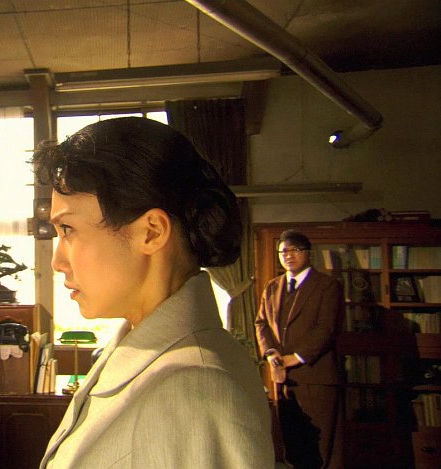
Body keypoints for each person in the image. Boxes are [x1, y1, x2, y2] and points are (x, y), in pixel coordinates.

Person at [34, 117, 274, 468]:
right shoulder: (150, 355)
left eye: (68, 229)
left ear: (152, 232)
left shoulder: (196, 389)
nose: (57, 262)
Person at [255, 229, 343, 469]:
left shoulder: (327, 286)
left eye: (295, 250)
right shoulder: (272, 287)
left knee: (320, 450)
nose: (288, 256)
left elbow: (326, 329)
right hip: (282, 380)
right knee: (291, 448)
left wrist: (294, 358)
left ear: (308, 253)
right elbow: (261, 323)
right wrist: (271, 353)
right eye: (283, 252)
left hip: (316, 378)